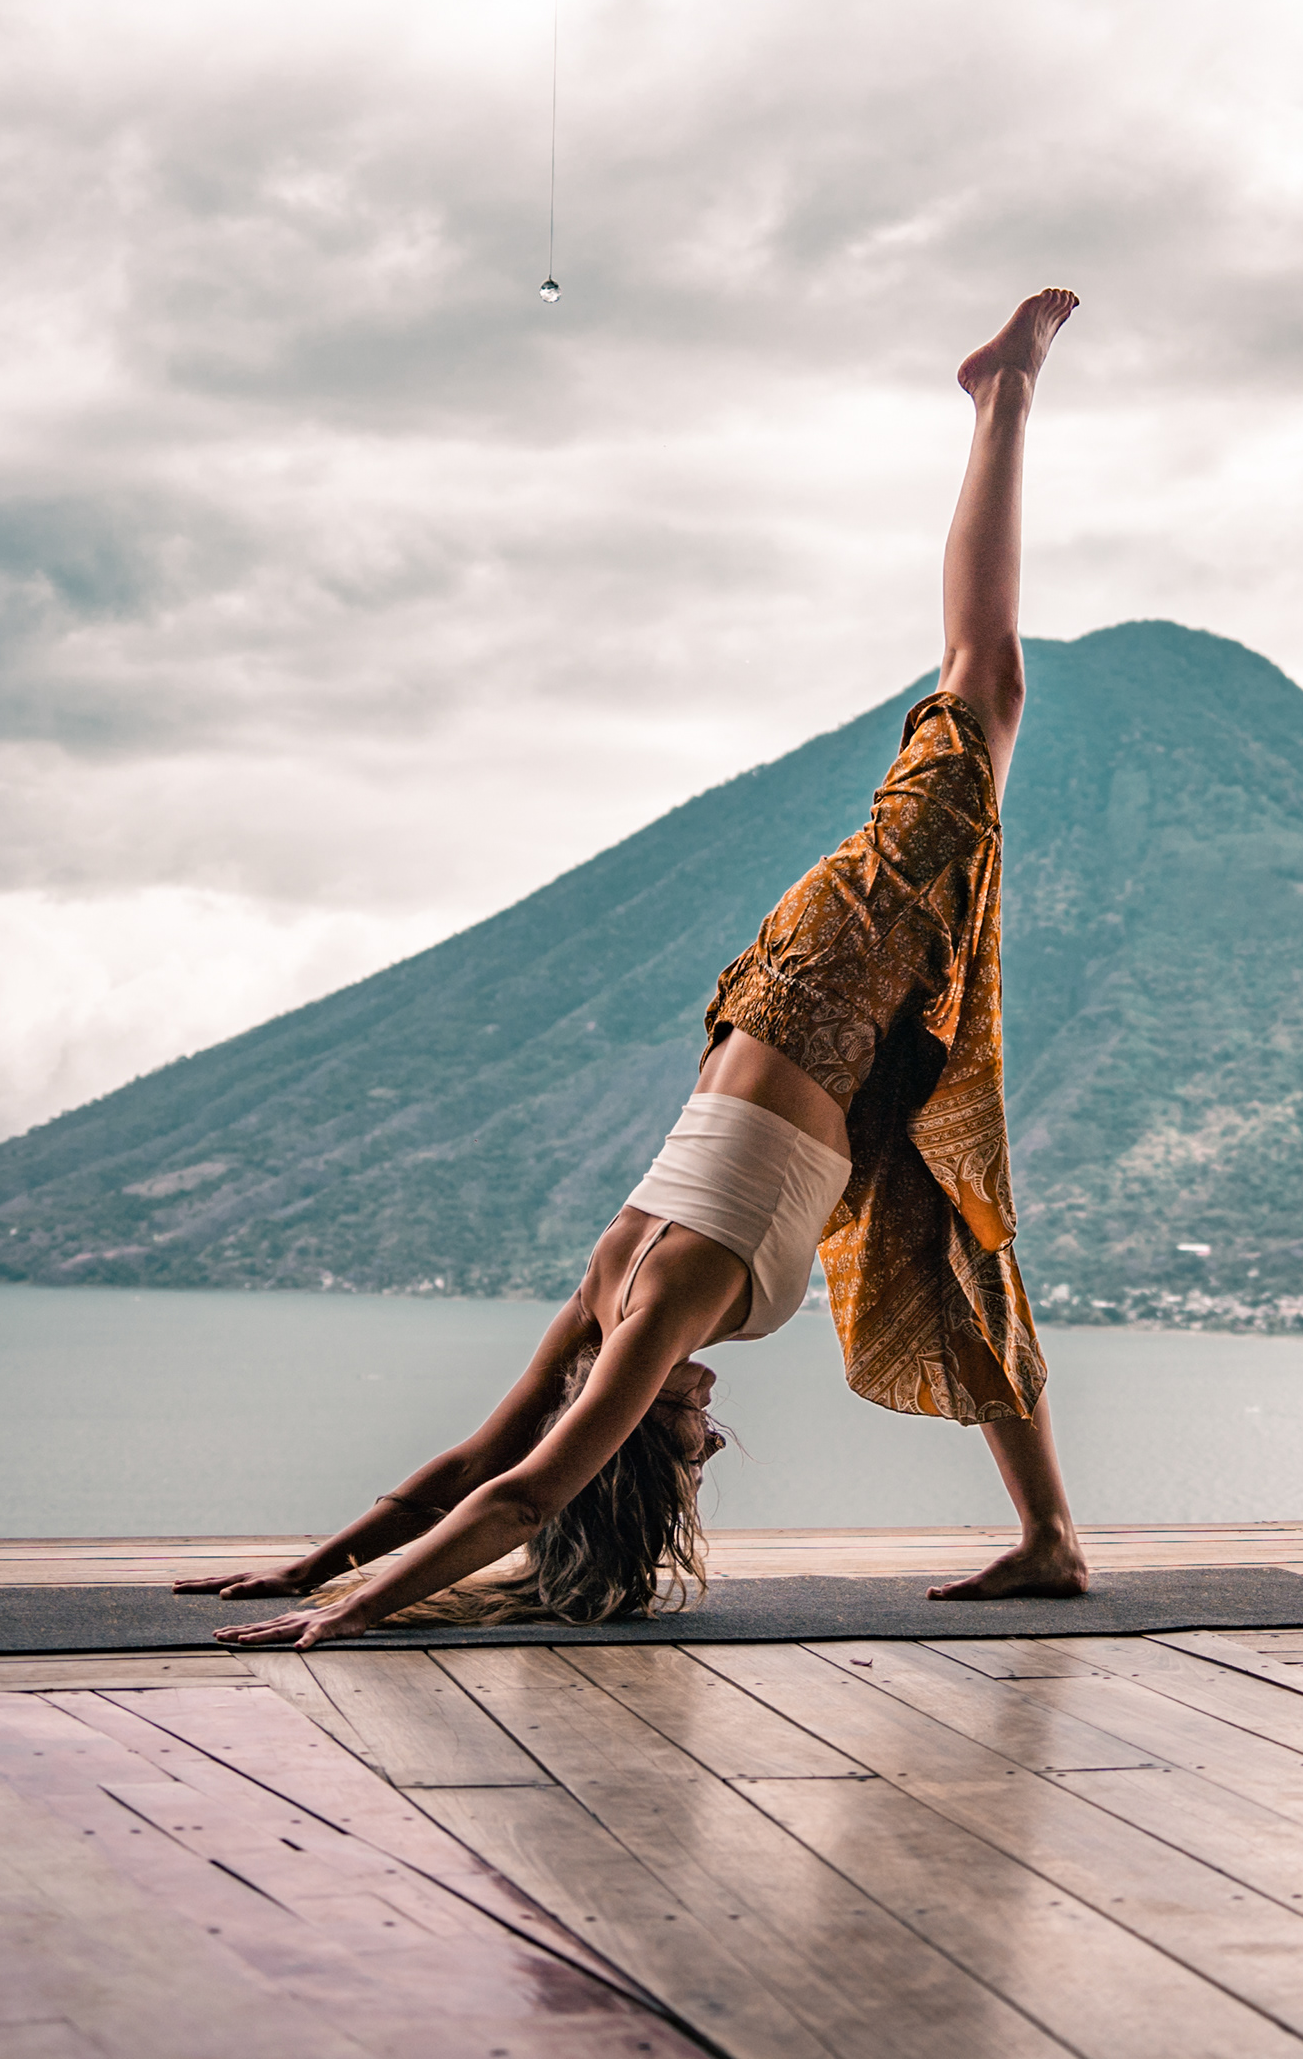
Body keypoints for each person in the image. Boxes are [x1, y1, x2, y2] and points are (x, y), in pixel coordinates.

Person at [186, 288, 1090, 1648]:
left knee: (986, 687)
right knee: (952, 1229)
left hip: (829, 986)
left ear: (633, 1434)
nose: (710, 1429)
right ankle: (1050, 1538)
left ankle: (1001, 395)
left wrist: (348, 1609)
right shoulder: (610, 1291)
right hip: (811, 1025)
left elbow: (519, 1490)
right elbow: (464, 1470)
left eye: (686, 1442)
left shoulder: (657, 1306)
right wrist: (310, 1564)